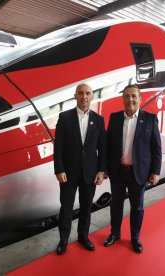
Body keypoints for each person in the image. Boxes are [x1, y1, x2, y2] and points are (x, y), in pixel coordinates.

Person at [104, 84, 162, 253]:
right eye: (127, 96)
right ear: (123, 99)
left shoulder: (150, 119)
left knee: (137, 207)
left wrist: (155, 171)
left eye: (133, 96)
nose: (130, 99)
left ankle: (135, 238)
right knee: (116, 205)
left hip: (139, 172)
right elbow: (108, 146)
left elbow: (156, 148)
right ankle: (114, 234)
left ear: (140, 99)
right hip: (118, 171)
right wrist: (105, 167)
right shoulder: (114, 118)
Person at [53, 83, 106, 255]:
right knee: (66, 208)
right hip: (68, 173)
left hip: (90, 174)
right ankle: (63, 240)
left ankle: (83, 237)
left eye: (88, 93)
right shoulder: (65, 117)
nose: (84, 97)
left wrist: (101, 171)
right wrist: (59, 169)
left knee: (86, 208)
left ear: (92, 96)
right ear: (75, 96)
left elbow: (103, 148)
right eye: (81, 93)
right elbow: (58, 146)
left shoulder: (98, 120)